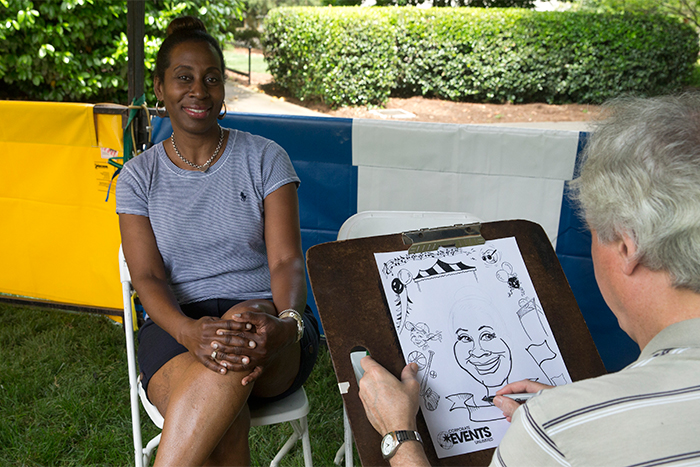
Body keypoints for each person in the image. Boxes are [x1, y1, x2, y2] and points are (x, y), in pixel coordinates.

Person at [358, 93, 700, 466]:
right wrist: (574, 413)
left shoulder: (552, 430)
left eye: (596, 232)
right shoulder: (561, 422)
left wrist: (399, 434)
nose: (479, 349)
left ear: (626, 248)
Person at [115, 16, 319, 466]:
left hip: (268, 322)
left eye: (211, 78)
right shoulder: (137, 177)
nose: (199, 91)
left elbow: (286, 261)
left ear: (223, 87)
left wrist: (288, 322)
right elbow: (146, 276)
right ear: (159, 87)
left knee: (237, 334)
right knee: (224, 422)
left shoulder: (265, 157)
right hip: (175, 326)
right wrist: (189, 332)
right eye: (183, 78)